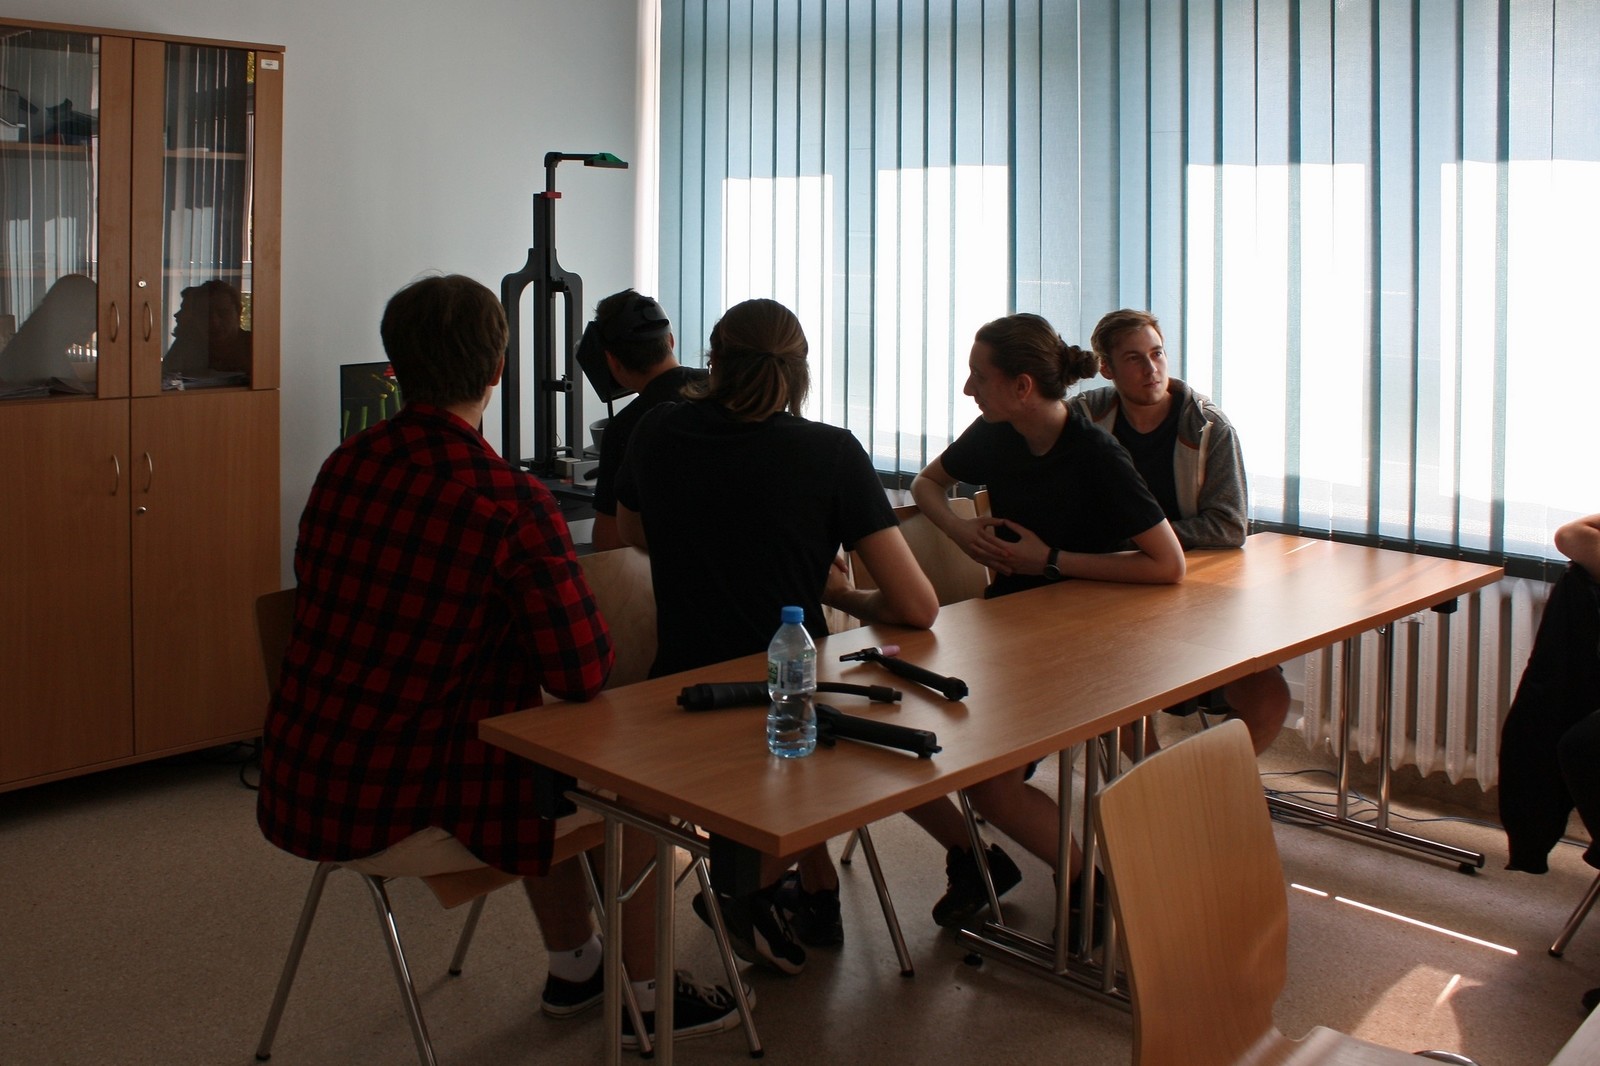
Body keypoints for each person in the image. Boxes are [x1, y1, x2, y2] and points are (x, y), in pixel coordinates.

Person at [256, 274, 636, 1029]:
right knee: (624, 780)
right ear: (498, 369)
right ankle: (646, 990)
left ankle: (577, 964)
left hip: (308, 775)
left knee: (535, 741)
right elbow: (583, 671)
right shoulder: (510, 503)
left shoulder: (343, 467)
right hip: (408, 793)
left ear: (395, 365)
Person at [615, 297, 940, 973]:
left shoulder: (656, 429)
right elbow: (917, 606)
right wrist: (840, 592)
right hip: (789, 701)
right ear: (801, 372)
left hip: (678, 695)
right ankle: (755, 893)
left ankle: (803, 893)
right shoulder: (830, 452)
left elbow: (631, 531)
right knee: (861, 731)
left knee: (802, 748)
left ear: (713, 361)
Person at [905, 312, 1185, 929]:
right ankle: (1064, 875)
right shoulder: (996, 432)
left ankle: (1090, 885)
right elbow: (927, 485)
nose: (968, 388)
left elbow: (1169, 564)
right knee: (935, 746)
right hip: (1013, 630)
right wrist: (959, 532)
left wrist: (1050, 560)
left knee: (988, 786)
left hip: (1090, 643)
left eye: (979, 376)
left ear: (1022, 386)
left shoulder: (1096, 454)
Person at [1070, 307, 1290, 754]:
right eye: (1134, 358)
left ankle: (1211, 785)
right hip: (1107, 587)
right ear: (1107, 368)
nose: (1151, 369)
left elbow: (1229, 526)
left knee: (1269, 697)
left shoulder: (1208, 427)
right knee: (1116, 691)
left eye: (1157, 353)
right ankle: (1154, 786)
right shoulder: (1083, 418)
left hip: (1194, 592)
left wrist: (1149, 540)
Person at [585, 289, 706, 551]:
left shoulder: (626, 428)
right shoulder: (728, 391)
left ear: (611, 361)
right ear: (670, 341)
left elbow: (608, 543)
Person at [163, 279, 251, 376]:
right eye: (205, 314)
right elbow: (164, 377)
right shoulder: (187, 345)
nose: (214, 322)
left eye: (223, 313)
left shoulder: (254, 346)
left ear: (238, 312)